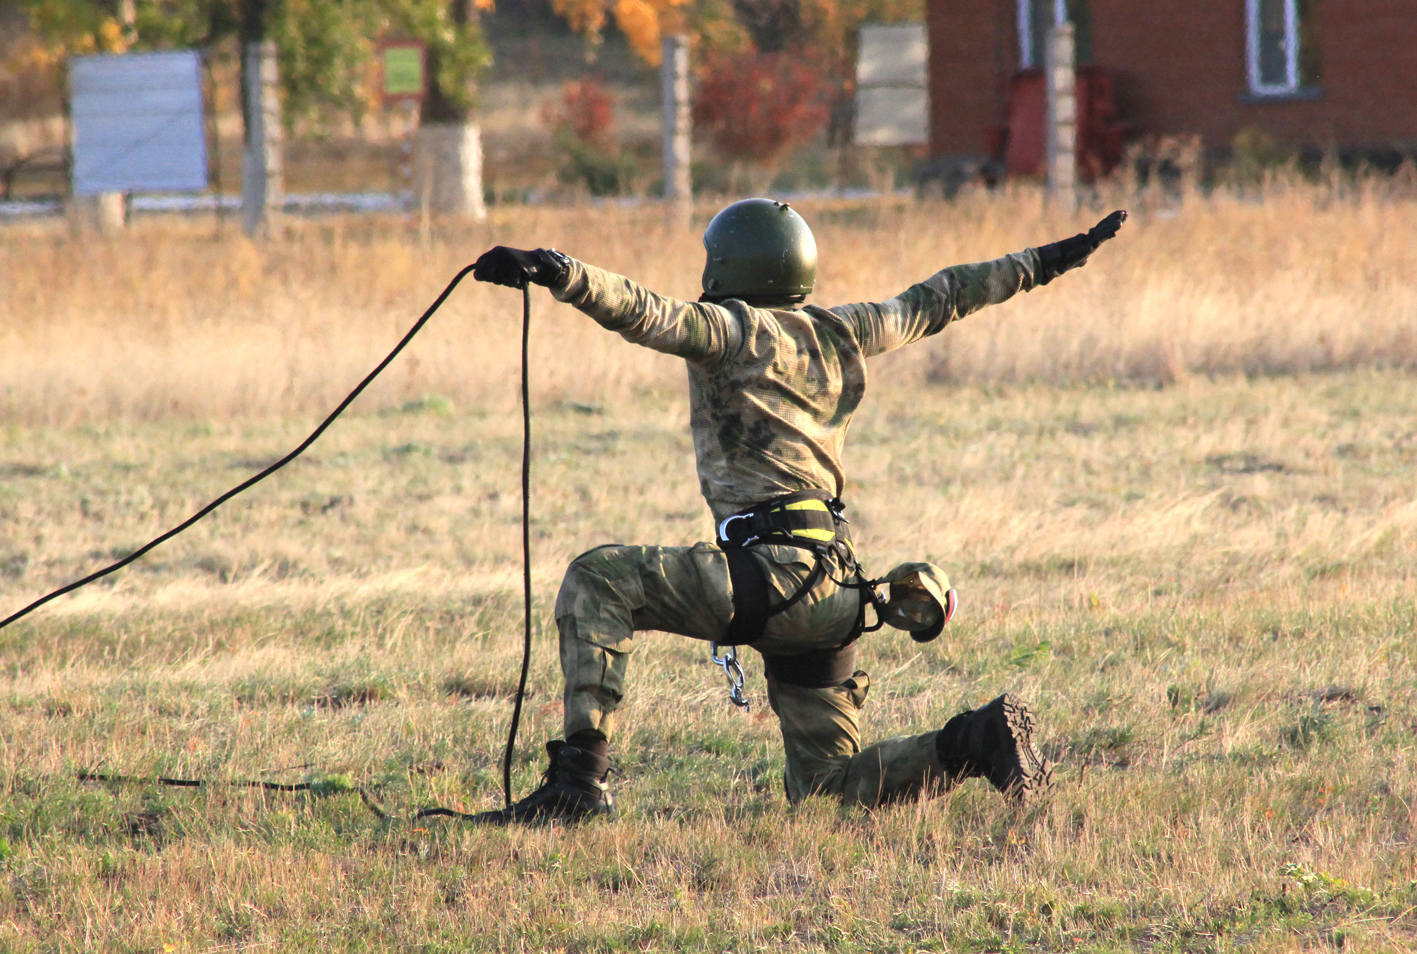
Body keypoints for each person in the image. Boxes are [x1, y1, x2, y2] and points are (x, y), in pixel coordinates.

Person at [469, 199, 1127, 824]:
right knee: (823, 789)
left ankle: (578, 780)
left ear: (724, 266)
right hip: (834, 588)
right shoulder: (844, 330)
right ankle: (972, 741)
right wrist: (1044, 260)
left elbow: (641, 310)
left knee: (598, 578)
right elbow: (944, 296)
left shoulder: (727, 331)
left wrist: (557, 269)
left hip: (764, 577)